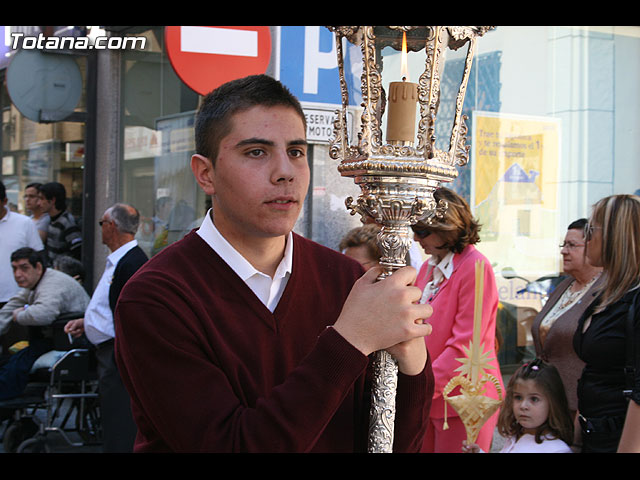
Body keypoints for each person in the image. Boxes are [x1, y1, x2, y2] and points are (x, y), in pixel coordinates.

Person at [114, 74, 435, 453]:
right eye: (256, 152)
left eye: (296, 152)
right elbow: (231, 445)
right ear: (205, 173)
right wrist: (350, 340)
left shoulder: (347, 280)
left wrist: (415, 367)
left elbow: (392, 442)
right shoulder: (157, 297)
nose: (285, 171)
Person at [413, 187, 504, 453]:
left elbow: (466, 345)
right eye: (414, 229)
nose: (416, 238)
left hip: (466, 402)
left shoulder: (476, 266)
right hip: (430, 398)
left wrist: (421, 387)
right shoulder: (427, 267)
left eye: (422, 231)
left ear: (447, 227)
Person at [64, 203, 148, 452]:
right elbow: (108, 305)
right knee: (112, 414)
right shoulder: (120, 260)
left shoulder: (131, 261)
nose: (101, 229)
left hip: (116, 353)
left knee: (119, 416)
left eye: (102, 223)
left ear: (111, 226)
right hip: (108, 350)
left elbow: (133, 314)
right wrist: (87, 322)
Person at [573, 194, 640, 453]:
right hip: (594, 435)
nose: (586, 238)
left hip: (620, 440)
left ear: (616, 235)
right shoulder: (608, 294)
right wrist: (578, 439)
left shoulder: (634, 299)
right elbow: (593, 371)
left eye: (591, 229)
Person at [531, 218, 603, 419]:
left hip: (579, 405)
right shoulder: (564, 286)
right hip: (548, 398)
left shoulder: (607, 291)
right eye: (564, 245)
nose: (563, 251)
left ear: (595, 247)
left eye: (572, 245)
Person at [0, 248, 90, 400]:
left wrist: (19, 315)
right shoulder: (36, 284)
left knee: (15, 367)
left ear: (38, 267)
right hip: (54, 340)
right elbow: (10, 308)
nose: (18, 274)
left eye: (24, 268)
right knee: (9, 362)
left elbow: (43, 314)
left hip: (71, 342)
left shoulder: (53, 283)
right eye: (14, 268)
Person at [462, 359, 574, 453]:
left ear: (553, 403)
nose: (523, 406)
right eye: (518, 397)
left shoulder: (556, 450)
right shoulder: (515, 437)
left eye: (534, 399)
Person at [0, 181, 44, 354]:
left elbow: (39, 259)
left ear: (4, 201)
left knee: (14, 350)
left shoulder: (24, 223)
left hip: (15, 298)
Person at [38, 182, 82, 264]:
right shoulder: (51, 220)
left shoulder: (67, 222)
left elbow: (77, 250)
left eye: (42, 199)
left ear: (52, 200)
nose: (39, 203)